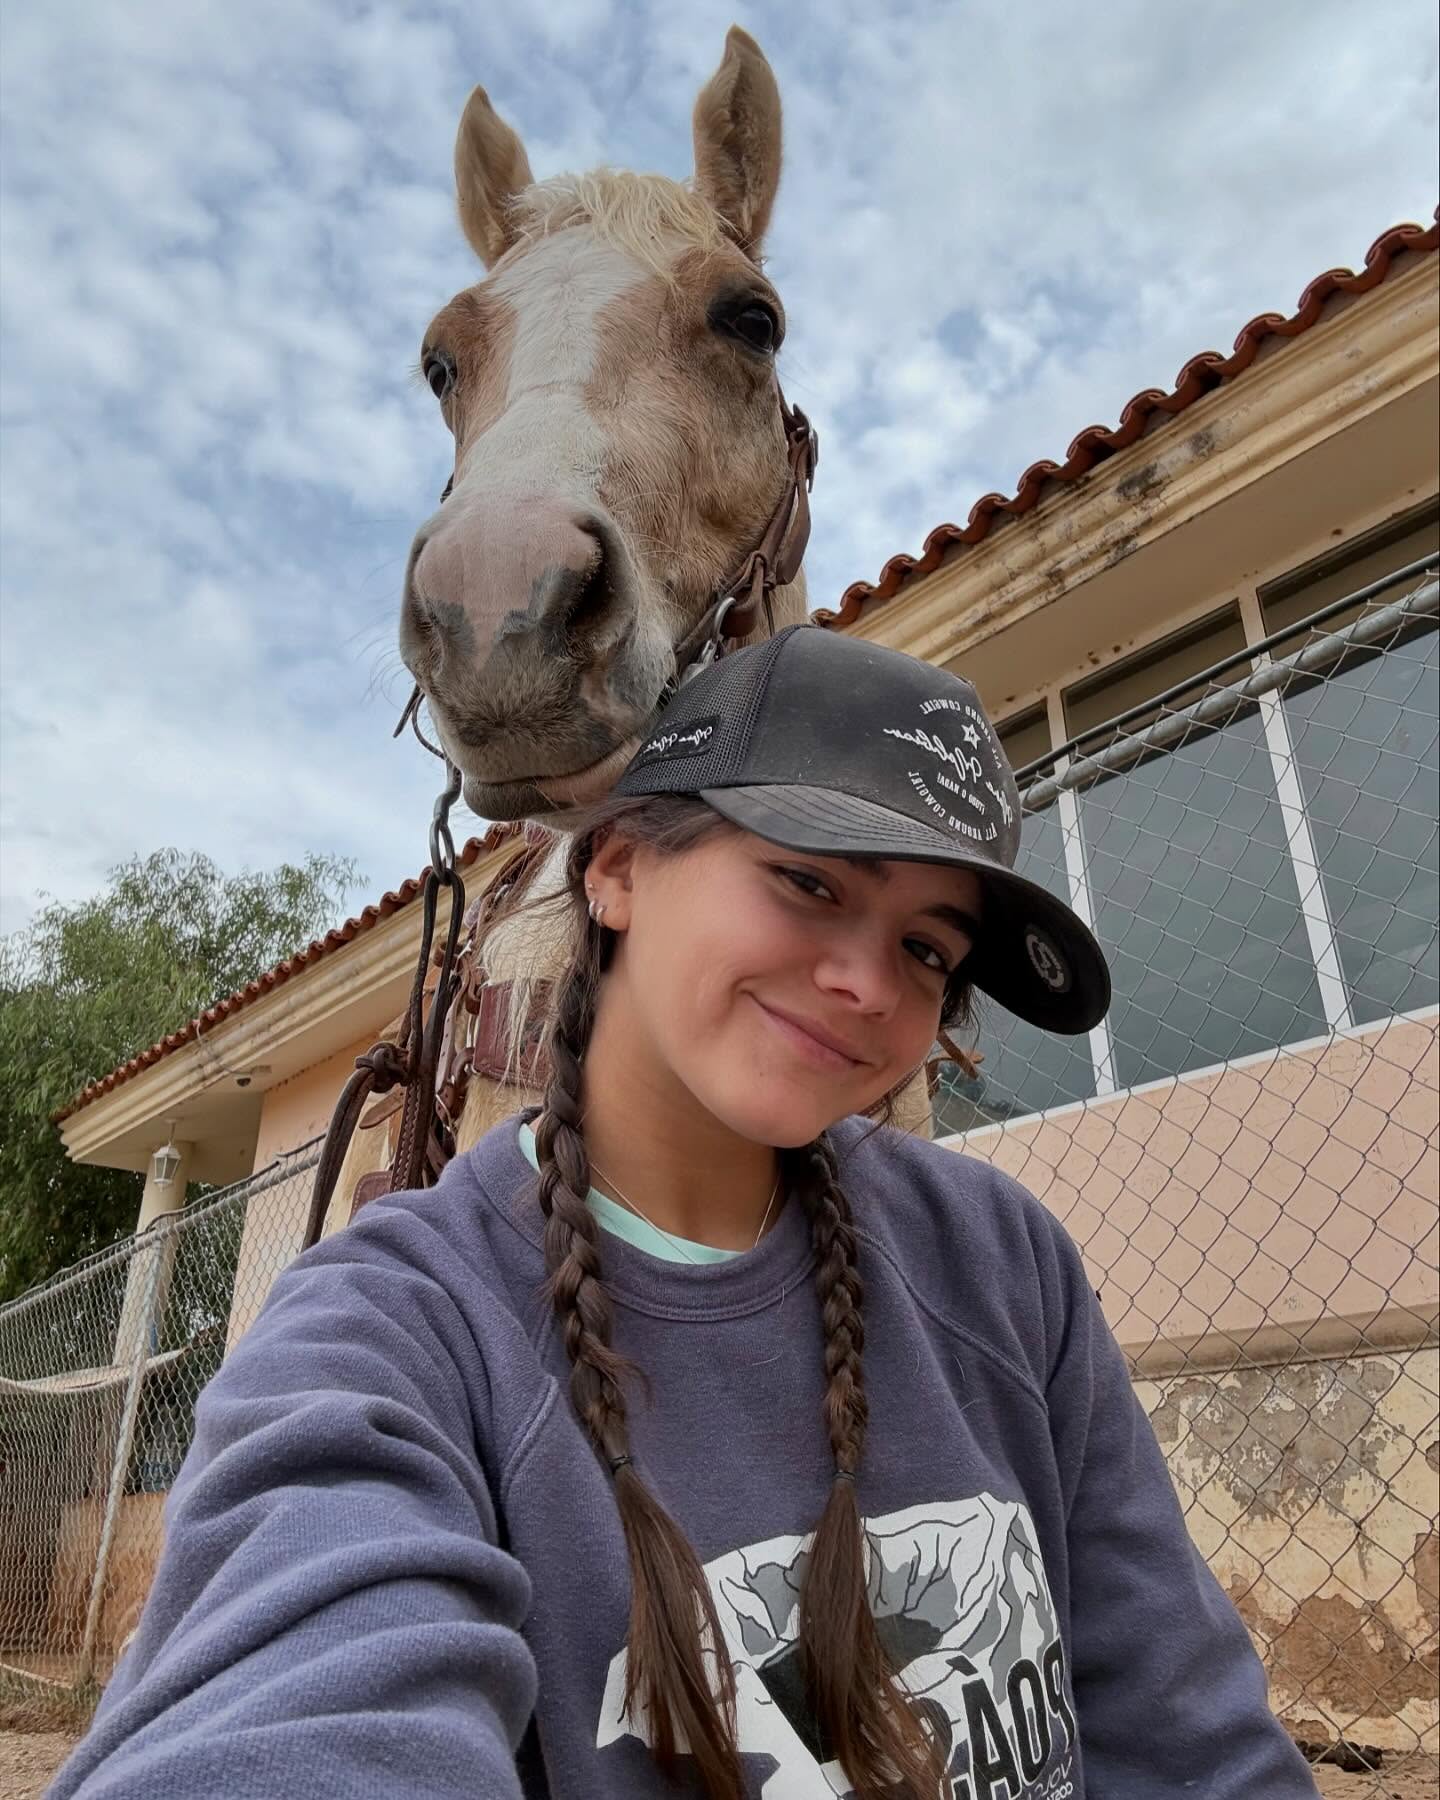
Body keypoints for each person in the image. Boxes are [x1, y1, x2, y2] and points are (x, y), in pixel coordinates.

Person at [53, 625, 1318, 1799]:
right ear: (615, 868)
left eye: (929, 949)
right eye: (808, 881)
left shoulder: (997, 1257)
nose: (868, 983)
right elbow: (296, 1715)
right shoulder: (392, 1329)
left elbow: (1191, 1742)